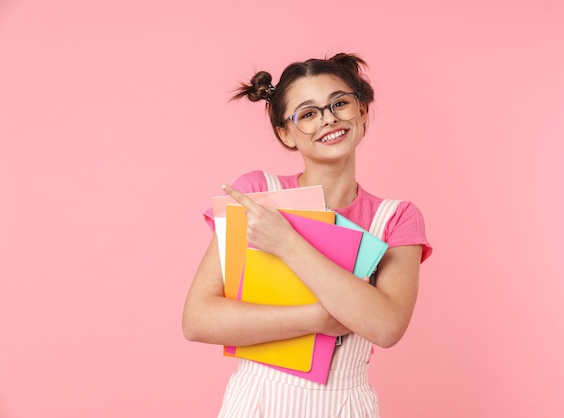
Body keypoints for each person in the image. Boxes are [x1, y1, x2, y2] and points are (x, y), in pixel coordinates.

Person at [182, 52, 432, 417]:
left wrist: (287, 243)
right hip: (258, 400)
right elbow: (198, 319)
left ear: (362, 111)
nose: (328, 119)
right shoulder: (256, 193)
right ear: (286, 133)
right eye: (308, 113)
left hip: (346, 404)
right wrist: (318, 318)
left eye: (340, 103)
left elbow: (386, 327)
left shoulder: (395, 218)